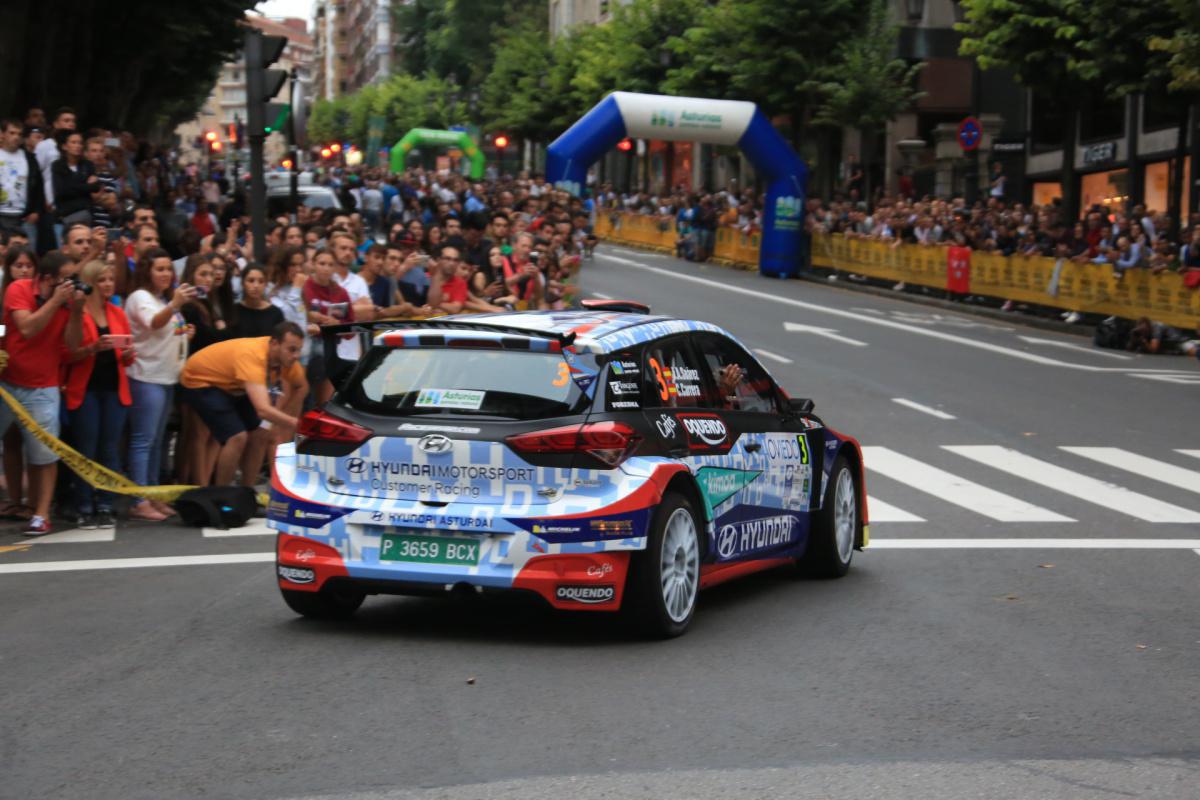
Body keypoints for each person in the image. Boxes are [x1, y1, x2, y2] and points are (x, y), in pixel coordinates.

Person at [0, 251, 84, 535]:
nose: (72, 284)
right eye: (67, 279)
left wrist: (76, 311)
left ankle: (41, 514)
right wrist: (55, 301)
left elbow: (73, 345)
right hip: (6, 382)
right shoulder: (19, 288)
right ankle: (16, 501)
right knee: (11, 445)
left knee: (44, 454)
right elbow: (26, 328)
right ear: (48, 279)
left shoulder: (67, 302)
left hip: (43, 387)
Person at [178, 322, 306, 487]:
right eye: (292, 349)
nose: (296, 356)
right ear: (275, 343)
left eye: (299, 350)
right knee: (237, 437)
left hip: (233, 385)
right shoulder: (253, 356)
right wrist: (296, 423)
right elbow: (262, 410)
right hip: (200, 380)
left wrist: (286, 413)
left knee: (261, 431)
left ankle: (247, 490)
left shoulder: (287, 361)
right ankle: (222, 493)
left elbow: (301, 386)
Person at [61, 260, 134, 528]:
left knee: (109, 449)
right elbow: (67, 353)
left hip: (114, 389)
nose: (108, 284)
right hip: (86, 390)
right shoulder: (77, 312)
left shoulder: (117, 312)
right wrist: (93, 348)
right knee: (86, 449)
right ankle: (83, 504)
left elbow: (127, 356)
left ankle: (105, 504)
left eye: (110, 279)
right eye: (102, 280)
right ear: (90, 283)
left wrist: (127, 354)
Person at [125, 247, 194, 521]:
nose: (166, 274)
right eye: (160, 269)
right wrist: (175, 304)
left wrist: (184, 331)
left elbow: (167, 330)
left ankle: (153, 495)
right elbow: (153, 323)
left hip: (166, 377)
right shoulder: (140, 297)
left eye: (168, 269)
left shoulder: (161, 298)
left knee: (155, 441)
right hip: (146, 377)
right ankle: (139, 500)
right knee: (143, 440)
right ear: (147, 271)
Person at [302, 249, 354, 405]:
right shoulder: (304, 287)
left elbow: (351, 328)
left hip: (329, 345)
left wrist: (337, 325)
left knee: (324, 401)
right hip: (306, 342)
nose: (326, 268)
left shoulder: (340, 292)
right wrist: (308, 316)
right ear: (313, 264)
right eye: (322, 263)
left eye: (330, 265)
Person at [0, 117, 44, 251]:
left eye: (19, 134)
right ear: (2, 134)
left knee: (27, 255)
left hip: (24, 216)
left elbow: (39, 187)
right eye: (12, 133)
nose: (16, 137)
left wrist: (36, 211)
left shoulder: (29, 158)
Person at [50, 130, 97, 227]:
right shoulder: (58, 165)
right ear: (64, 146)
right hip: (65, 215)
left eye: (80, 143)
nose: (78, 146)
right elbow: (61, 191)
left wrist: (72, 185)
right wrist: (86, 186)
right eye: (74, 142)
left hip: (85, 213)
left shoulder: (88, 165)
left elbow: (95, 187)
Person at [229, 264, 284, 338]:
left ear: (266, 285)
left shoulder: (276, 313)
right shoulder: (233, 311)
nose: (256, 286)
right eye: (251, 281)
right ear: (242, 283)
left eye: (261, 281)